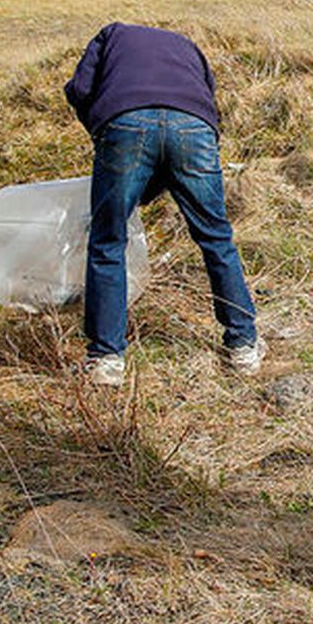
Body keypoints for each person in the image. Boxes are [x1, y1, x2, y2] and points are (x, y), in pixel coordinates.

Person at [63, 22, 264, 386]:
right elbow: (207, 93)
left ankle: (106, 359)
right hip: (195, 126)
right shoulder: (188, 45)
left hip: (126, 121)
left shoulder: (111, 34)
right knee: (216, 238)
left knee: (108, 240)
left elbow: (79, 88)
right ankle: (243, 345)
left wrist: (101, 131)